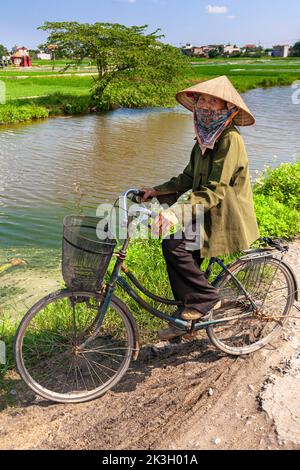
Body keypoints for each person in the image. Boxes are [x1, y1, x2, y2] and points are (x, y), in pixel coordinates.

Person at [140, 75, 260, 340]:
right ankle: (189, 318)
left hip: (224, 215)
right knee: (176, 249)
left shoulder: (229, 140)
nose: (205, 105)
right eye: (202, 100)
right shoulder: (204, 137)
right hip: (205, 210)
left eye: (212, 101)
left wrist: (175, 212)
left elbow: (216, 190)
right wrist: (156, 191)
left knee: (175, 246)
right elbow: (186, 178)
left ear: (227, 108)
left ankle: (206, 298)